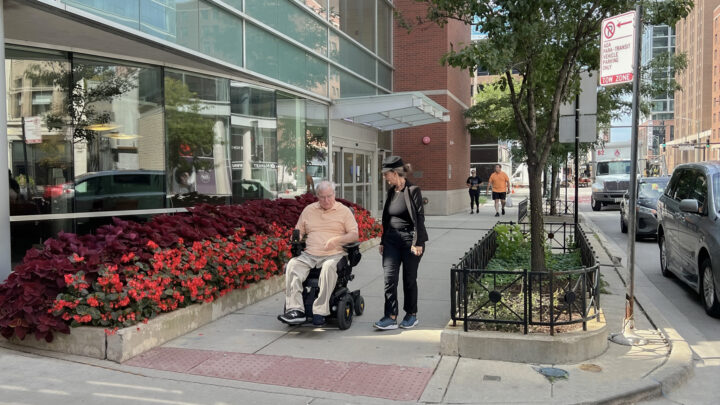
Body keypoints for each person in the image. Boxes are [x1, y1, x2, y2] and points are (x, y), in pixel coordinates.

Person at [278, 181, 359, 326]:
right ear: (317, 196)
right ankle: (295, 310)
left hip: (334, 255)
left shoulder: (344, 211)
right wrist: (296, 238)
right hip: (310, 255)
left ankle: (320, 310)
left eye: (329, 196)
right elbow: (299, 230)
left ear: (334, 194)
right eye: (322, 197)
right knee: (292, 265)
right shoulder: (309, 210)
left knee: (328, 267)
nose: (326, 200)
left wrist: (336, 240)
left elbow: (354, 235)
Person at [374, 156, 428, 330]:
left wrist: (418, 242)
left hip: (410, 241)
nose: (385, 178)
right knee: (389, 279)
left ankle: (411, 315)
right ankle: (390, 316)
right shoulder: (391, 192)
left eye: (386, 174)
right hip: (391, 241)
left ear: (394, 173)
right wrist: (383, 240)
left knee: (409, 279)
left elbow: (419, 218)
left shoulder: (413, 190)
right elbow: (386, 218)